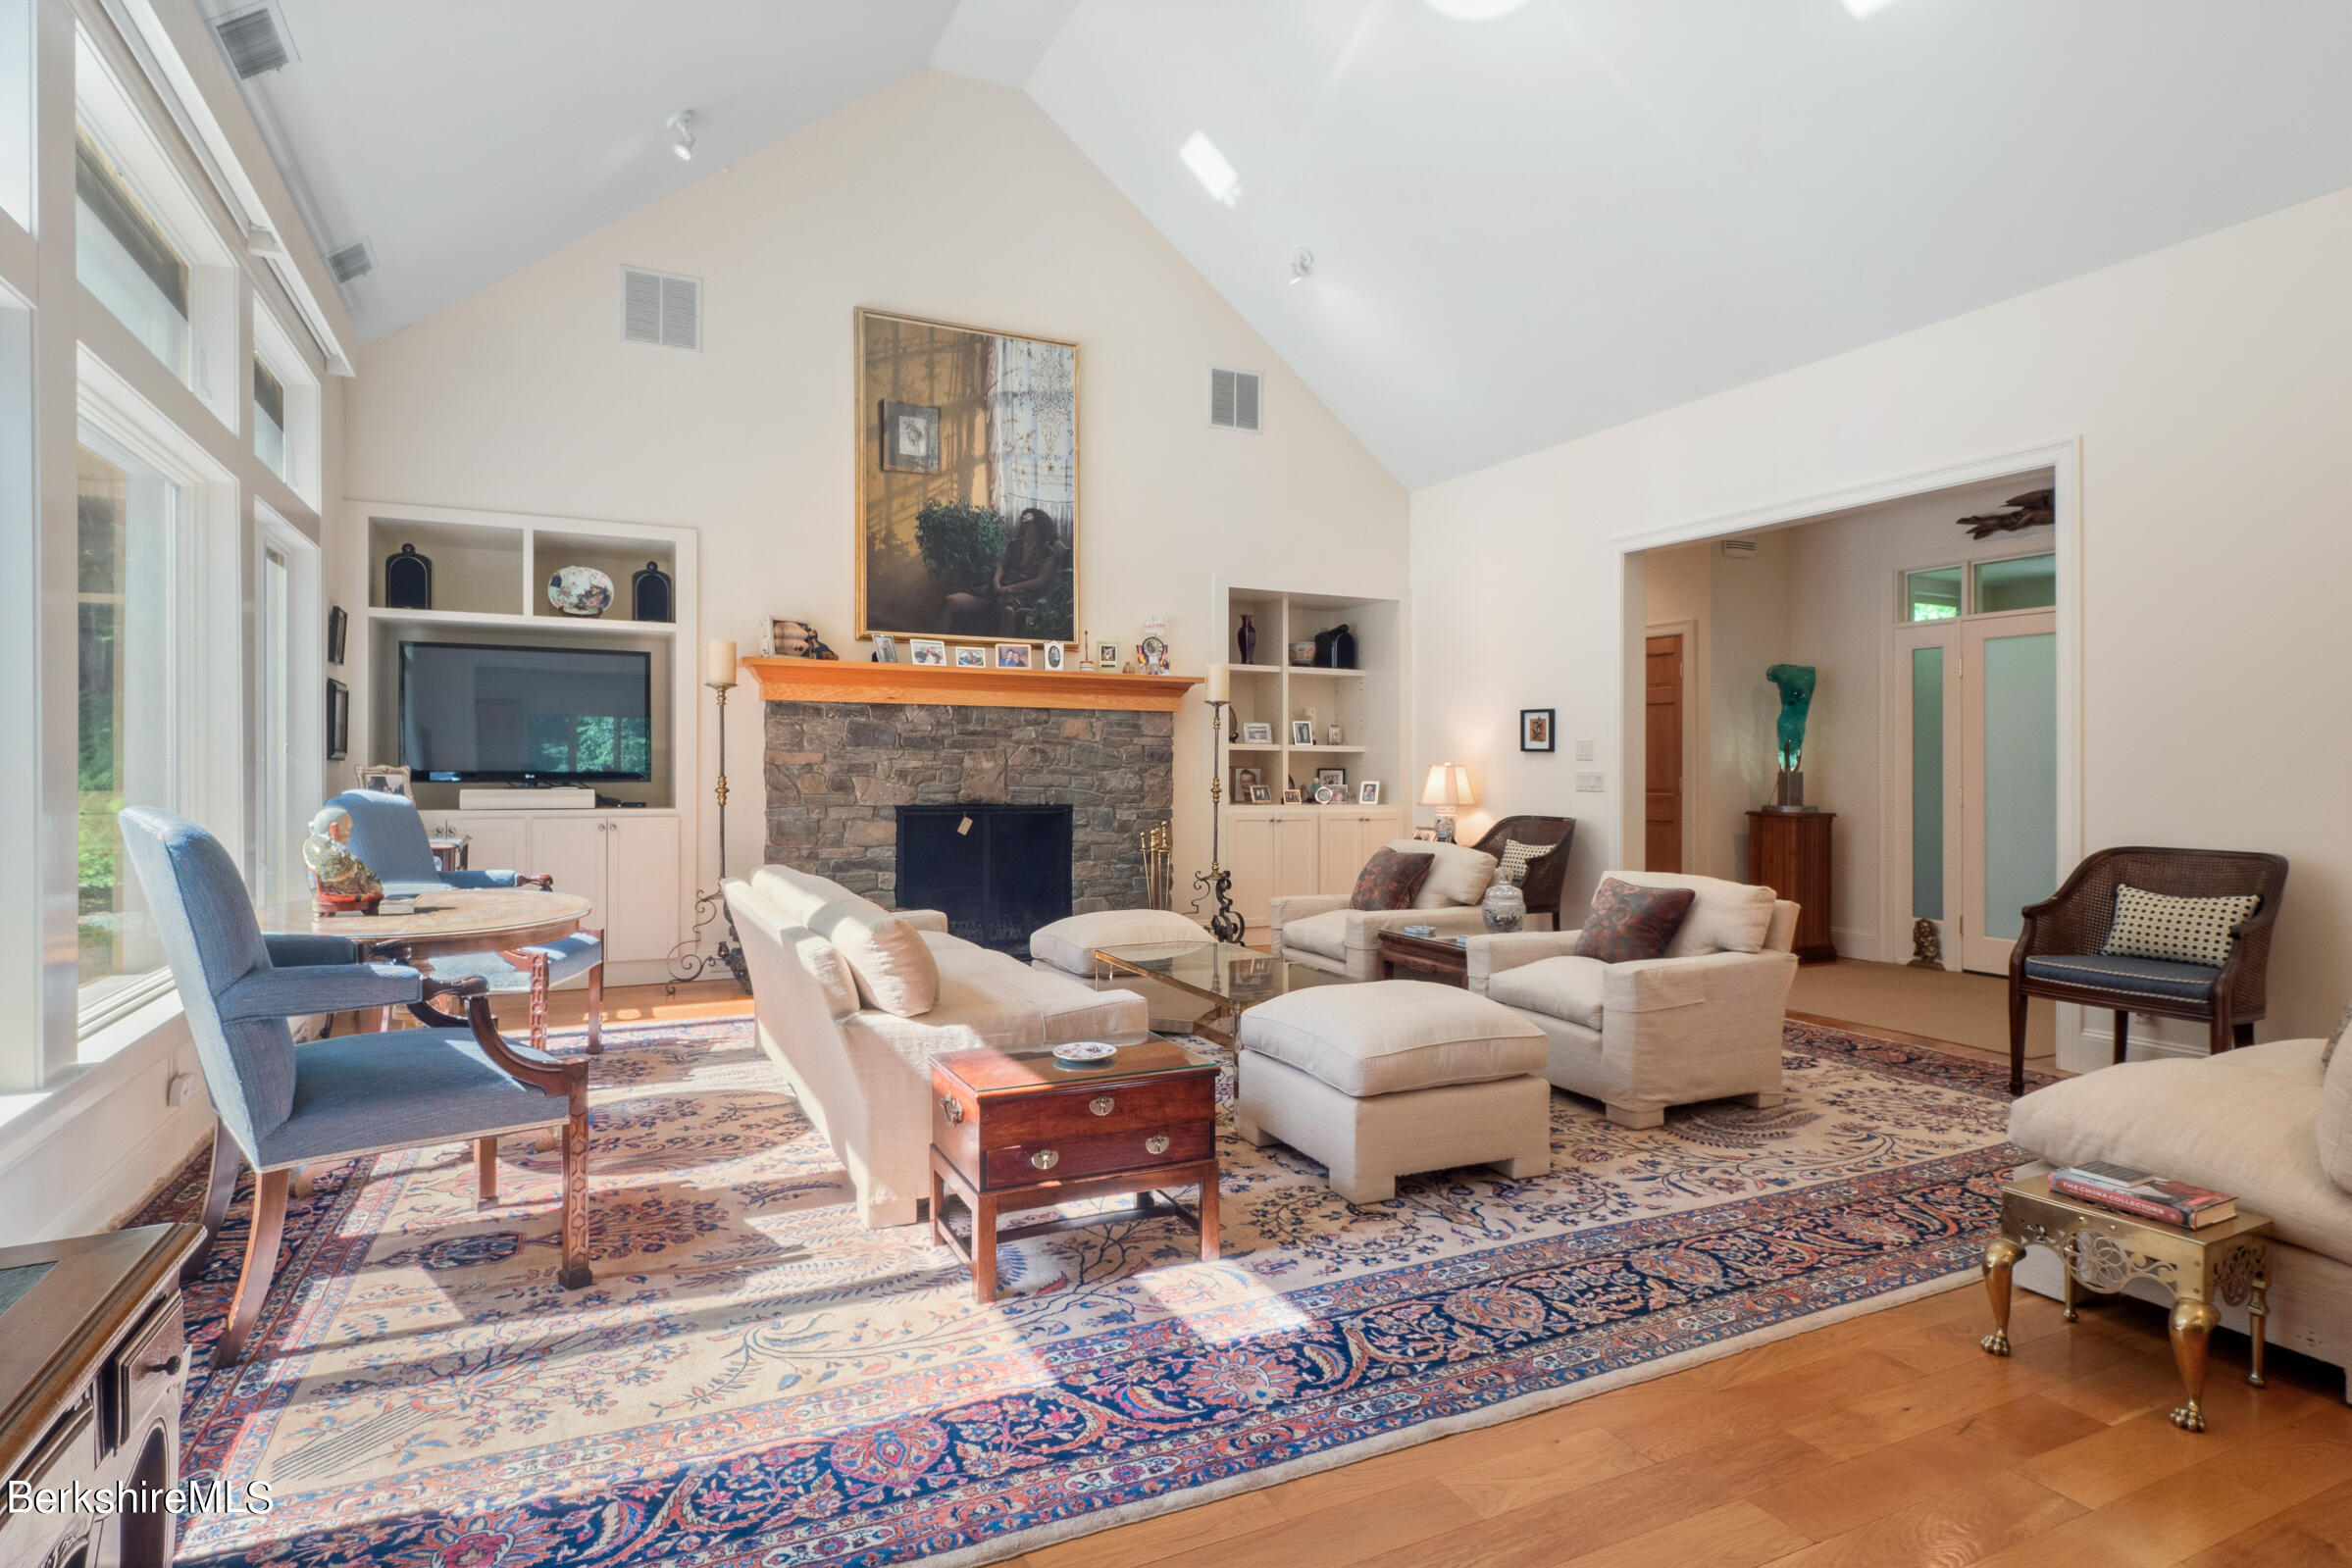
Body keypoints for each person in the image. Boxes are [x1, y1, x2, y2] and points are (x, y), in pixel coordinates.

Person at [942, 507, 1066, 632]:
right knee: (951, 601)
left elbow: (1039, 581)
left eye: (1029, 519)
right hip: (997, 589)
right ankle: (936, 648)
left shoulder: (1049, 553)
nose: (1024, 520)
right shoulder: (1014, 544)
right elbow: (1001, 566)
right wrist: (996, 582)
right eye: (1023, 518)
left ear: (1039, 523)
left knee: (1008, 611)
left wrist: (1011, 588)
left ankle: (1004, 651)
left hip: (1022, 594)